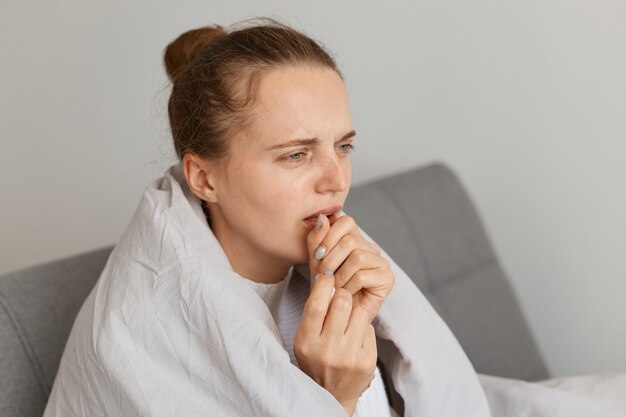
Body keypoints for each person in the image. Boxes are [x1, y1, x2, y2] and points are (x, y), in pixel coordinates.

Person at [44, 19, 491, 417]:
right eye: (296, 154)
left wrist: (356, 340)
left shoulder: (328, 268)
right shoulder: (139, 334)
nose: (336, 180)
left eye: (343, 146)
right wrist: (337, 397)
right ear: (203, 178)